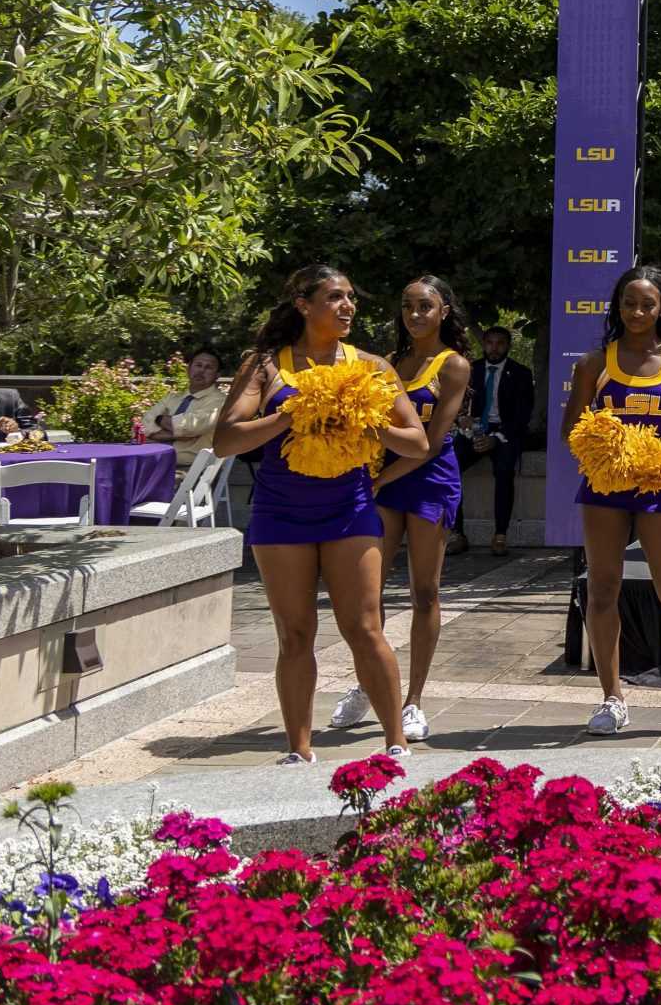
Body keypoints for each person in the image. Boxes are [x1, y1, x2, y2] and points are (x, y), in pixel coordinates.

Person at [215, 265, 427, 765]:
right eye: (334, 297)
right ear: (304, 305)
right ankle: (299, 750)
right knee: (294, 633)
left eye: (351, 297)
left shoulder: (373, 367)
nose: (347, 306)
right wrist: (290, 414)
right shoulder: (265, 366)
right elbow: (225, 440)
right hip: (280, 512)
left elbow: (417, 443)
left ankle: (395, 742)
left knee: (364, 627)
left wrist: (367, 424)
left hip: (349, 508)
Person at [564, 263, 661, 744]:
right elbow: (572, 429)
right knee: (603, 589)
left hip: (657, 487)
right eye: (629, 303)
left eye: (647, 303)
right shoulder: (594, 363)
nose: (637, 311)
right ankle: (612, 698)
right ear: (618, 307)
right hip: (605, 490)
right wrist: (603, 450)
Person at [324, 277, 470, 745]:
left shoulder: (455, 365)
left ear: (444, 310)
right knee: (367, 591)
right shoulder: (385, 363)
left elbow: (429, 443)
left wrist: (379, 479)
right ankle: (370, 684)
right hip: (381, 476)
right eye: (408, 306)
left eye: (425, 306)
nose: (415, 314)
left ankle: (414, 701)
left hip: (426, 480)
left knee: (424, 592)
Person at [460, 326, 536, 557]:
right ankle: (456, 533)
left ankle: (500, 534)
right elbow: (458, 406)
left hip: (505, 432)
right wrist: (466, 425)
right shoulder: (470, 371)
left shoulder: (520, 373)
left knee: (504, 471)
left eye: (500, 343)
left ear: (508, 345)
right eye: (490, 343)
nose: (494, 348)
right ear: (483, 344)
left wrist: (496, 438)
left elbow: (522, 417)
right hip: (474, 431)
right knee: (449, 465)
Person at [143, 350, 228, 461]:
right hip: (156, 459)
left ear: (217, 375)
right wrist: (179, 434)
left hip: (190, 469)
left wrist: (158, 421)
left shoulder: (219, 401)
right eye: (198, 365)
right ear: (188, 370)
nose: (201, 370)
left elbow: (191, 427)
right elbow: (143, 426)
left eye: (208, 367)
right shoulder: (171, 398)